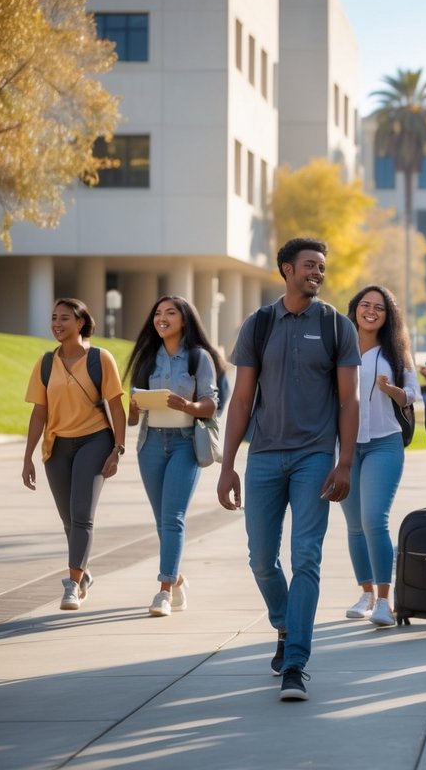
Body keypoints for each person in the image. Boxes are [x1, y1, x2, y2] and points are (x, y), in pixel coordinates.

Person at [217, 237, 360, 702]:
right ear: (286, 269)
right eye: (309, 265)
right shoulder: (259, 325)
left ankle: (295, 662)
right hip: (263, 456)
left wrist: (344, 461)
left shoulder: (336, 326)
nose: (318, 272)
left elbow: (350, 400)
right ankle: (285, 623)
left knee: (306, 558)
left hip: (314, 458)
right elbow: (241, 400)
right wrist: (227, 465)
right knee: (261, 559)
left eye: (322, 267)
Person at [22, 298, 128, 610]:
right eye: (54, 317)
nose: (57, 323)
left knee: (82, 515)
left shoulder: (100, 359)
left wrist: (117, 449)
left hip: (94, 441)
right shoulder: (45, 363)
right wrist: (27, 457)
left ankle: (71, 584)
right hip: (57, 446)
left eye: (65, 318)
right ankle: (83, 573)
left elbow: (116, 408)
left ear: (80, 323)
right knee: (68, 519)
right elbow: (39, 413)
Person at [126, 296, 224, 617]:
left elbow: (211, 404)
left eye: (171, 312)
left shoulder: (199, 358)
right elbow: (132, 418)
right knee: (162, 521)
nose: (162, 318)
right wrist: (132, 407)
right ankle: (177, 577)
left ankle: (164, 590)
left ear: (185, 319)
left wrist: (188, 406)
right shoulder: (147, 358)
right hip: (150, 444)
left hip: (185, 444)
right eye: (158, 313)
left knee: (173, 518)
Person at [341, 285, 420, 627]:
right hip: (345, 446)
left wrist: (392, 390)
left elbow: (413, 394)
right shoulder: (339, 347)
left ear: (388, 316)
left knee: (374, 519)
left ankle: (385, 600)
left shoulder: (396, 353)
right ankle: (366, 593)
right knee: (354, 524)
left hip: (384, 442)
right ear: (355, 309)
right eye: (365, 305)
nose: (371, 311)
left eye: (379, 307)